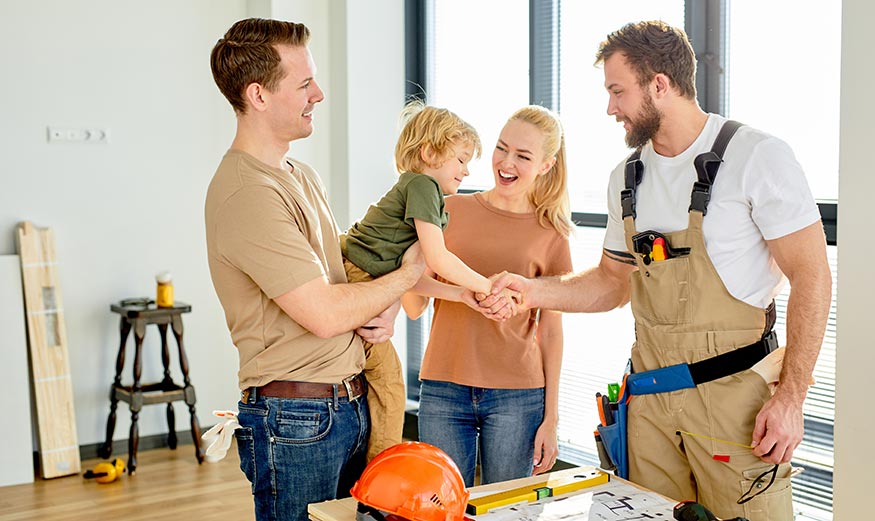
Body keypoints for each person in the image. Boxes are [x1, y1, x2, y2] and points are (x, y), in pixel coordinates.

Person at [487, 21, 831, 520]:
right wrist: (530, 291)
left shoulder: (756, 157)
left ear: (660, 85)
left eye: (617, 91)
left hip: (737, 407)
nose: (611, 108)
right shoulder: (627, 178)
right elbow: (610, 282)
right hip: (649, 405)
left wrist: (792, 399)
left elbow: (813, 276)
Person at [205, 18, 425, 521]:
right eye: (304, 84)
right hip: (296, 420)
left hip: (346, 405)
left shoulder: (299, 174)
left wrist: (387, 306)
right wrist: (409, 274)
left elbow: (341, 273)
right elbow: (324, 313)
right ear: (258, 95)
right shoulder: (249, 194)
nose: (319, 94)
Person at [403, 105, 574, 487]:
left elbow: (551, 332)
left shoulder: (552, 233)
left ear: (545, 165)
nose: (506, 162)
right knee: (442, 508)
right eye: (501, 148)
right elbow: (413, 299)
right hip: (444, 387)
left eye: (523, 156)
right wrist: (449, 286)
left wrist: (552, 418)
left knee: (509, 511)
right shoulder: (447, 209)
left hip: (519, 395)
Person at [342, 101, 517, 460]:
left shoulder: (424, 194)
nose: (467, 171)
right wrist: (487, 286)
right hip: (358, 275)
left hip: (370, 278)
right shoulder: (423, 185)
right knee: (390, 386)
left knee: (385, 385)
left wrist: (462, 294)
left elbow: (411, 278)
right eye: (461, 159)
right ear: (428, 152)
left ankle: (375, 470)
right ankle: (379, 479)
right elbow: (437, 259)